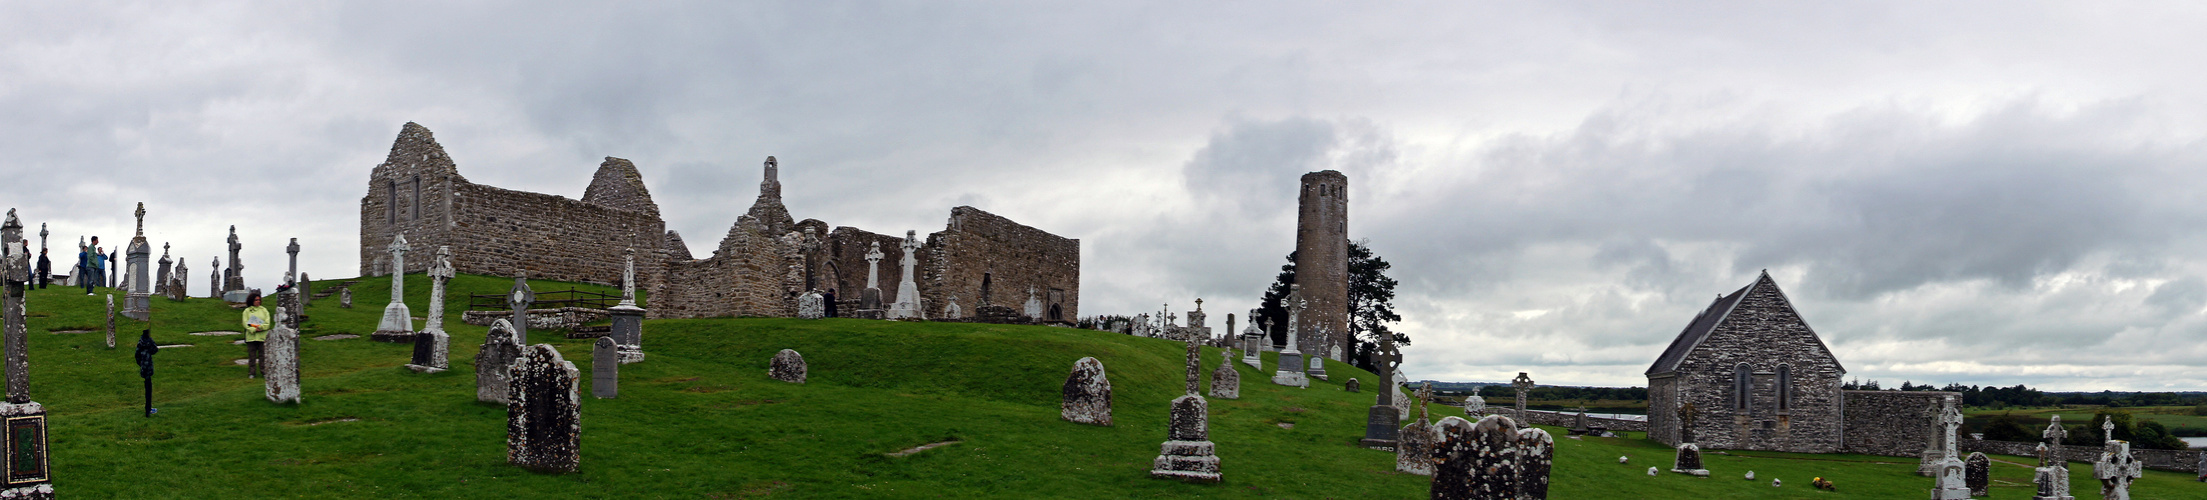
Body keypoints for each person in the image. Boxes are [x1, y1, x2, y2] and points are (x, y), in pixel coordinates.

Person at [240, 291, 270, 378]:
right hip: (251, 337)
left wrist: (260, 328)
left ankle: (264, 371)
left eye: (259, 300)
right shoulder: (247, 311)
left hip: (262, 336)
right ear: (252, 301)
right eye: (256, 300)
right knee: (252, 356)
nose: (258, 301)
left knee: (263, 355)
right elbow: (245, 323)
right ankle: (252, 373)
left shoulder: (264, 310)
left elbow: (267, 323)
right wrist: (253, 329)